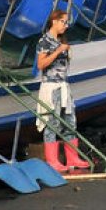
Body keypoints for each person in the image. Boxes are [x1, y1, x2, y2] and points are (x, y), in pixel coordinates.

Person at [35, 10, 90, 172]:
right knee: (52, 123)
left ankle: (73, 158)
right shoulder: (44, 41)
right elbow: (41, 65)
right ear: (54, 21)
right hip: (51, 87)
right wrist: (58, 51)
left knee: (70, 121)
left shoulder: (61, 40)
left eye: (67, 23)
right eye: (63, 22)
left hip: (64, 85)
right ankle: (52, 160)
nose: (66, 26)